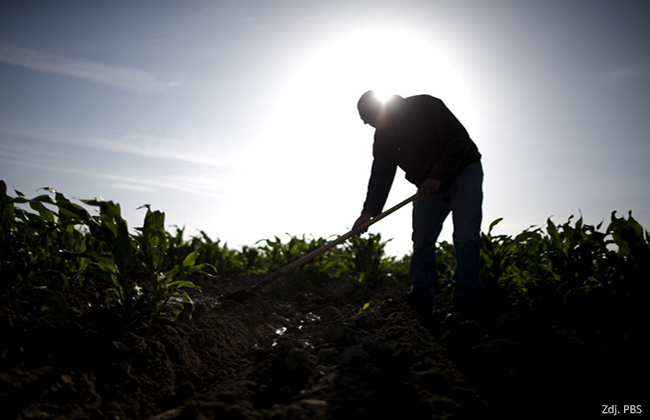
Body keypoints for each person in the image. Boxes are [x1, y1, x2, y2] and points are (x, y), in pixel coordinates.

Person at [352, 90, 484, 322]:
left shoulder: (425, 106)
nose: (365, 122)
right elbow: (381, 173)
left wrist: (437, 175)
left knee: (465, 235)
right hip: (428, 186)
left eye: (366, 116)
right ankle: (421, 296)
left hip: (464, 170)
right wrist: (369, 212)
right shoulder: (383, 136)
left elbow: (458, 140)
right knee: (422, 239)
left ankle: (466, 298)